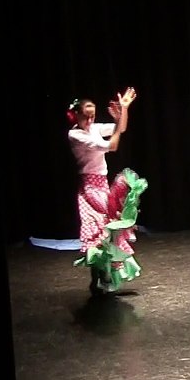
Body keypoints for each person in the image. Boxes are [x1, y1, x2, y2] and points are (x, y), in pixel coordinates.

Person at [67, 89, 147, 295]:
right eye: (86, 116)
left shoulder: (93, 128)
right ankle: (99, 277)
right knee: (100, 231)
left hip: (101, 184)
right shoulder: (76, 135)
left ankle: (99, 278)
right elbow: (112, 145)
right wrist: (118, 126)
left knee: (103, 233)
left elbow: (121, 128)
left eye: (93, 116)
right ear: (76, 115)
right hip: (89, 187)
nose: (90, 120)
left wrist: (123, 111)